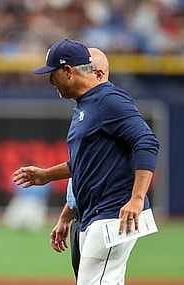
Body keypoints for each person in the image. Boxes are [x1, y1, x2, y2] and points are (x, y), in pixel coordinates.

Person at [13, 39, 159, 284]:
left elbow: (147, 142)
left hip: (114, 213)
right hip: (96, 213)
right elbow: (86, 164)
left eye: (52, 73)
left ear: (68, 71)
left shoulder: (108, 99)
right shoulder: (87, 104)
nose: (50, 81)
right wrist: (48, 178)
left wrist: (136, 199)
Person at [51, 47, 110, 278]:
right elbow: (82, 170)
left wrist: (136, 199)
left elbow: (146, 144)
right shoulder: (84, 109)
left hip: (102, 214)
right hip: (81, 216)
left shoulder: (109, 107)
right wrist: (66, 216)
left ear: (99, 73)